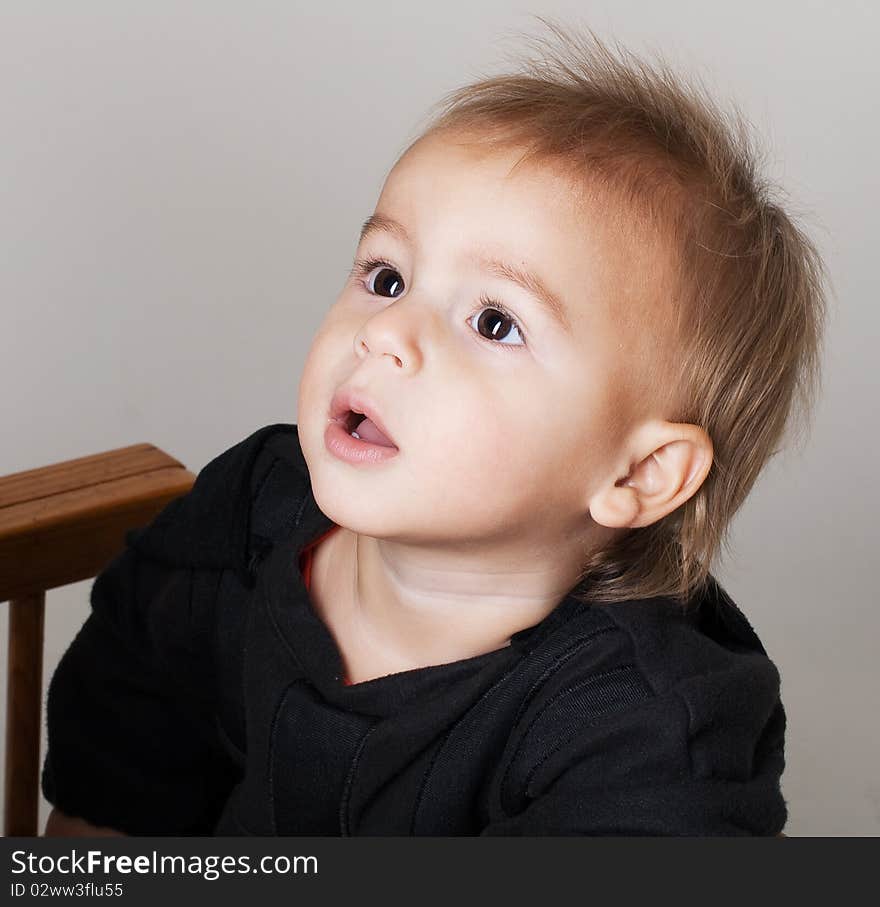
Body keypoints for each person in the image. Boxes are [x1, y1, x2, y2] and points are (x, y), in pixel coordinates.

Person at [42, 21, 827, 836]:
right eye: (387, 277)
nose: (384, 332)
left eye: (494, 322)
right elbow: (111, 794)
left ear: (638, 474)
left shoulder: (647, 739)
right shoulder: (246, 519)